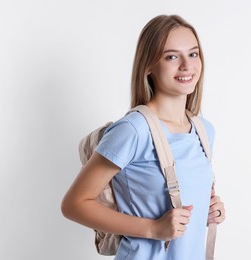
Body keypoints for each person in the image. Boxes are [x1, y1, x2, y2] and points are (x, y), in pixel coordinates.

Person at [61, 14, 225, 259]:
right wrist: (152, 228)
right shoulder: (133, 130)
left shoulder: (203, 130)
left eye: (193, 54)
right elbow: (74, 204)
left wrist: (208, 212)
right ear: (148, 66)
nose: (187, 65)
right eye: (171, 56)